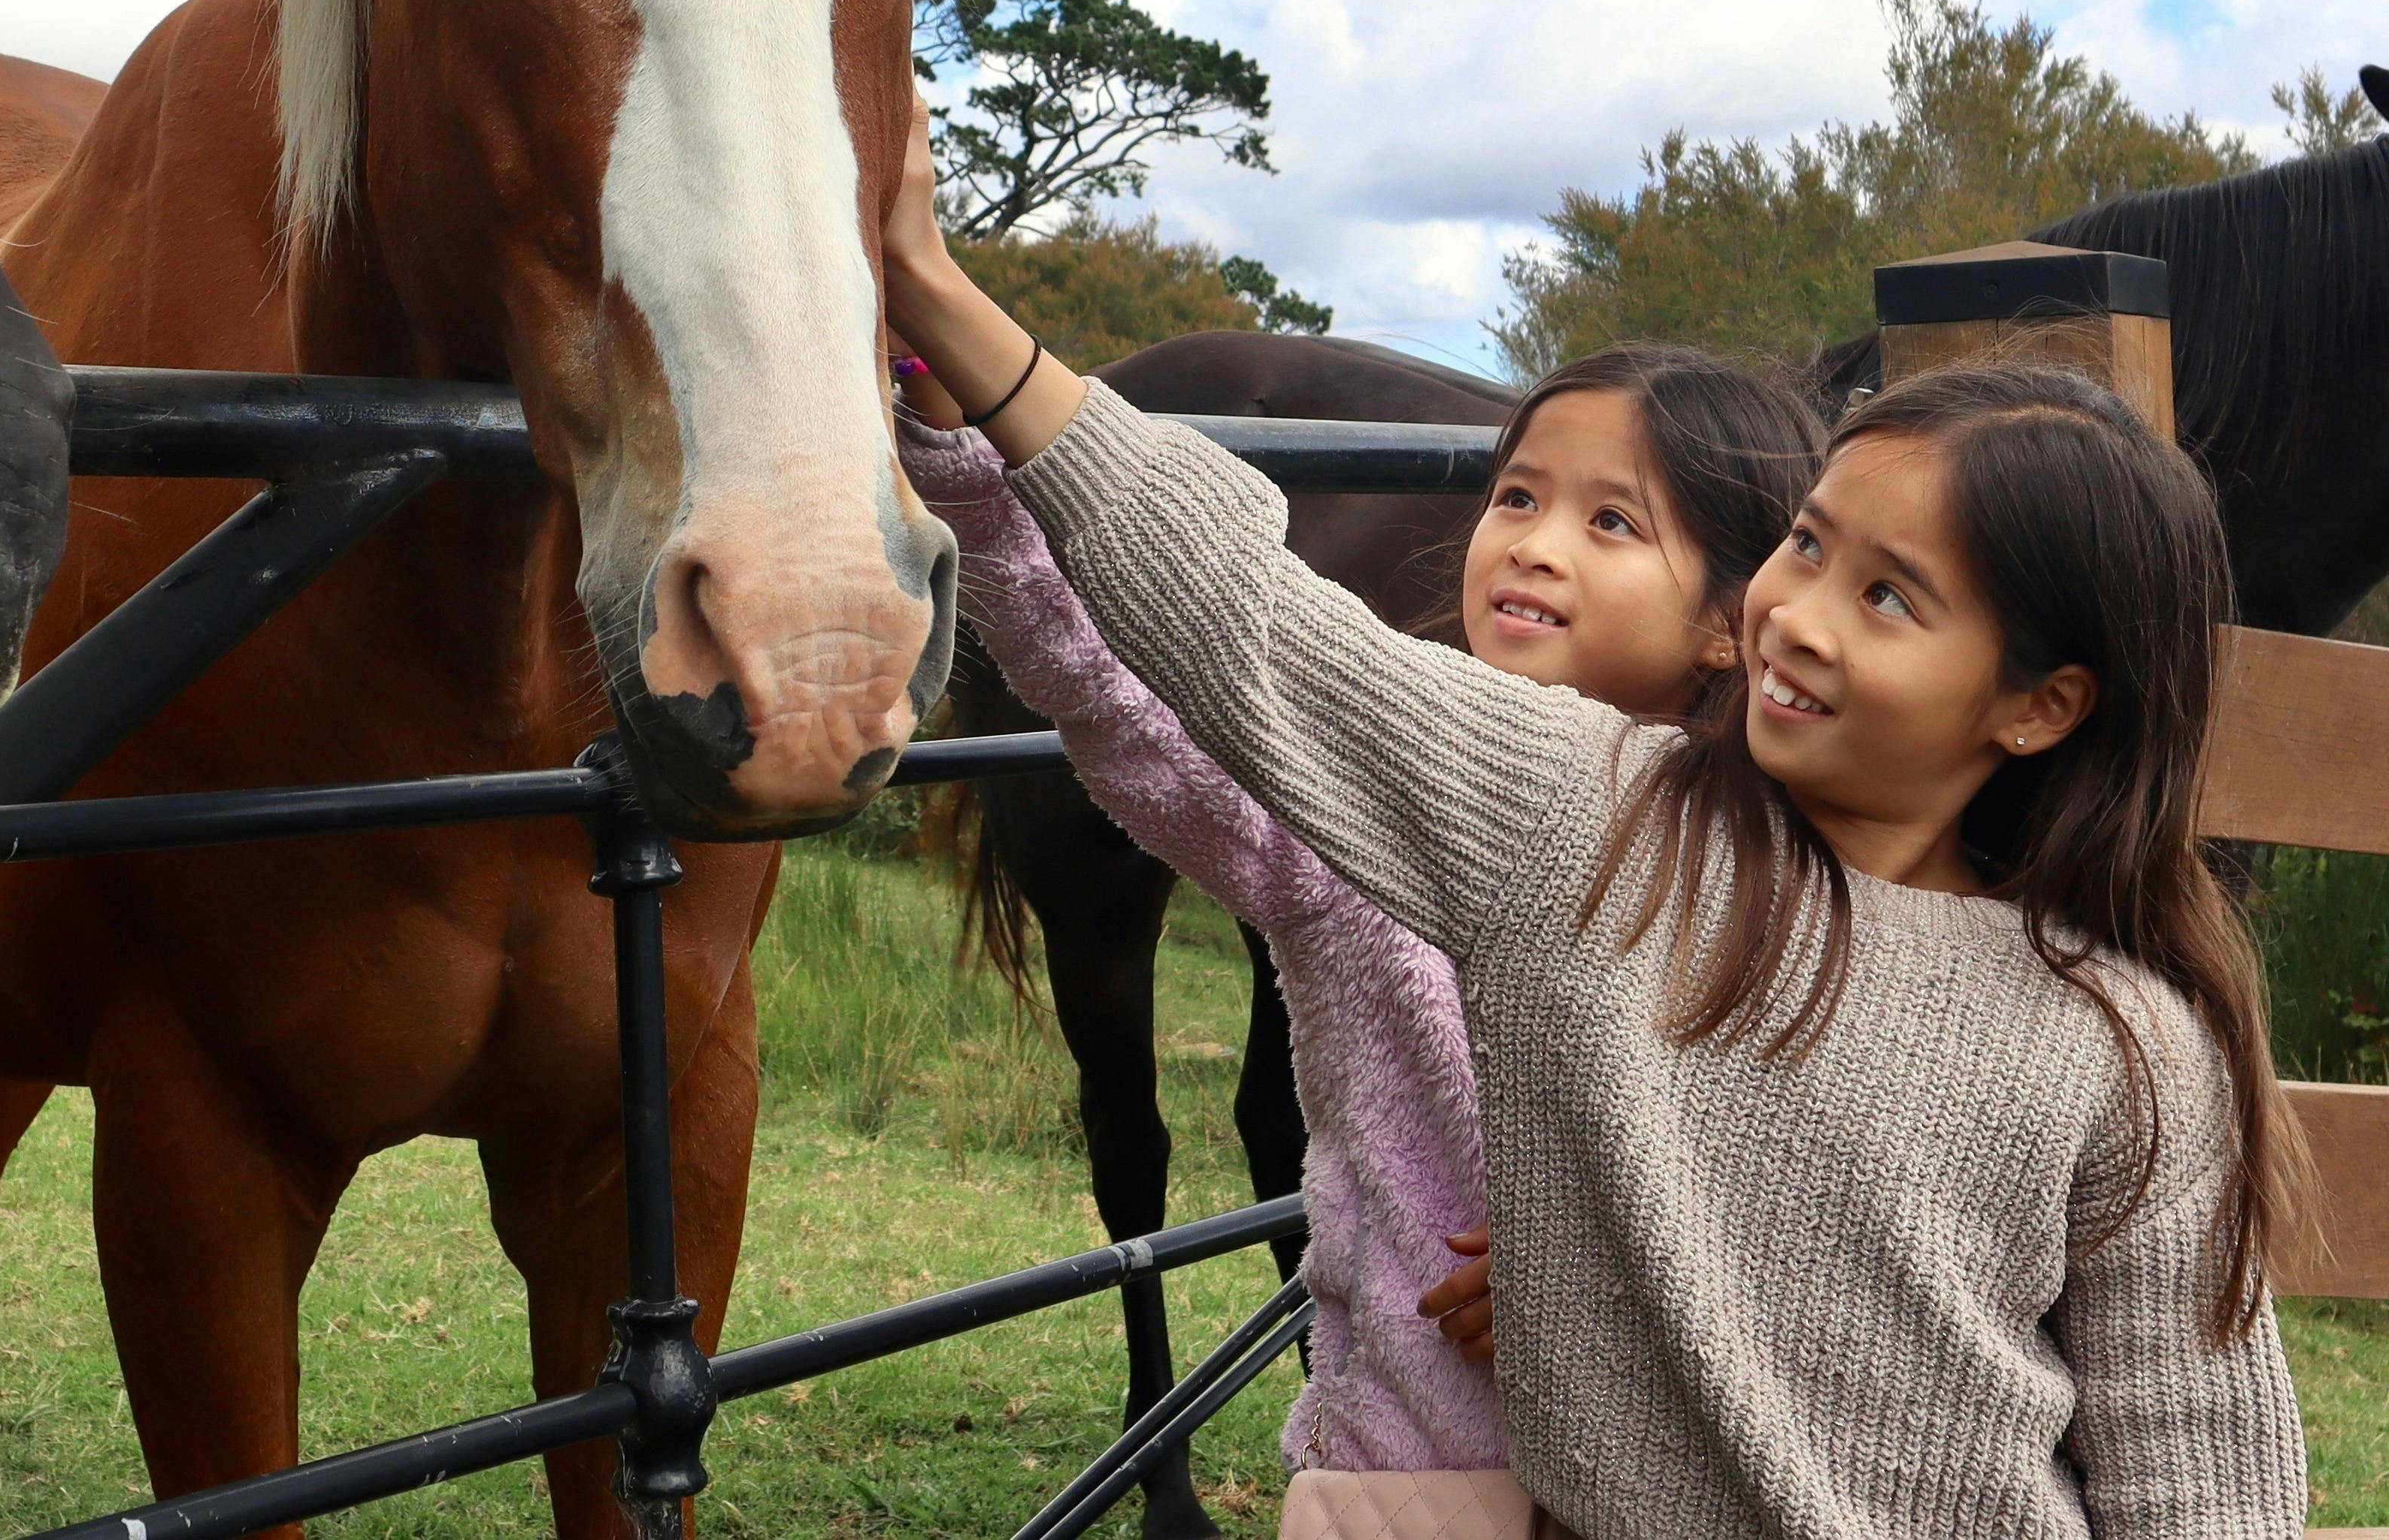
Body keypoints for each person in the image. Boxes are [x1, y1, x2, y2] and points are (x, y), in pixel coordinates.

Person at [883, 133, 2309, 1537]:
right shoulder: (1591, 822)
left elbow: (2201, 1477)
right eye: (1806, 546)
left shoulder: (2133, 1040)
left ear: (2039, 703)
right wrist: (949, 308)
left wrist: (1581, 1271)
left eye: (1889, 597)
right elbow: (1253, 619)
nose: (1797, 617)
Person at [902, 339, 1815, 1536]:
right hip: (1409, 1486)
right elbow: (1113, 700)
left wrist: (1595, 1254)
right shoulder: (1359, 855)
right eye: (1518, 497)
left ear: (1725, 622)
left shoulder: (1796, 880)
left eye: (1612, 521)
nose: (1535, 540)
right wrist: (963, 461)